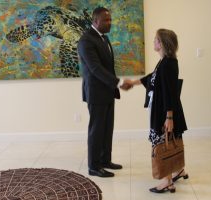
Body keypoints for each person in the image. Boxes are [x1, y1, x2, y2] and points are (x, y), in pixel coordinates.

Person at [123, 29, 188, 192]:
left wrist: (169, 117)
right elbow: (151, 78)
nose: (153, 42)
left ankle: (168, 181)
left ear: (162, 43)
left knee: (161, 142)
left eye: (155, 40)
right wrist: (133, 83)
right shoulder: (165, 62)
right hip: (163, 108)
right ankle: (178, 170)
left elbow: (169, 92)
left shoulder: (167, 64)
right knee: (173, 139)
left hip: (164, 111)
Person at [78, 7, 128, 177]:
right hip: (96, 93)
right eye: (106, 20)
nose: (110, 23)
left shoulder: (104, 38)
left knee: (107, 129)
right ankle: (94, 166)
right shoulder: (86, 40)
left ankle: (105, 160)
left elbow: (107, 66)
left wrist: (113, 85)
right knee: (97, 130)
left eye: (110, 20)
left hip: (107, 91)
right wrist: (118, 82)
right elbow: (95, 68)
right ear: (96, 21)